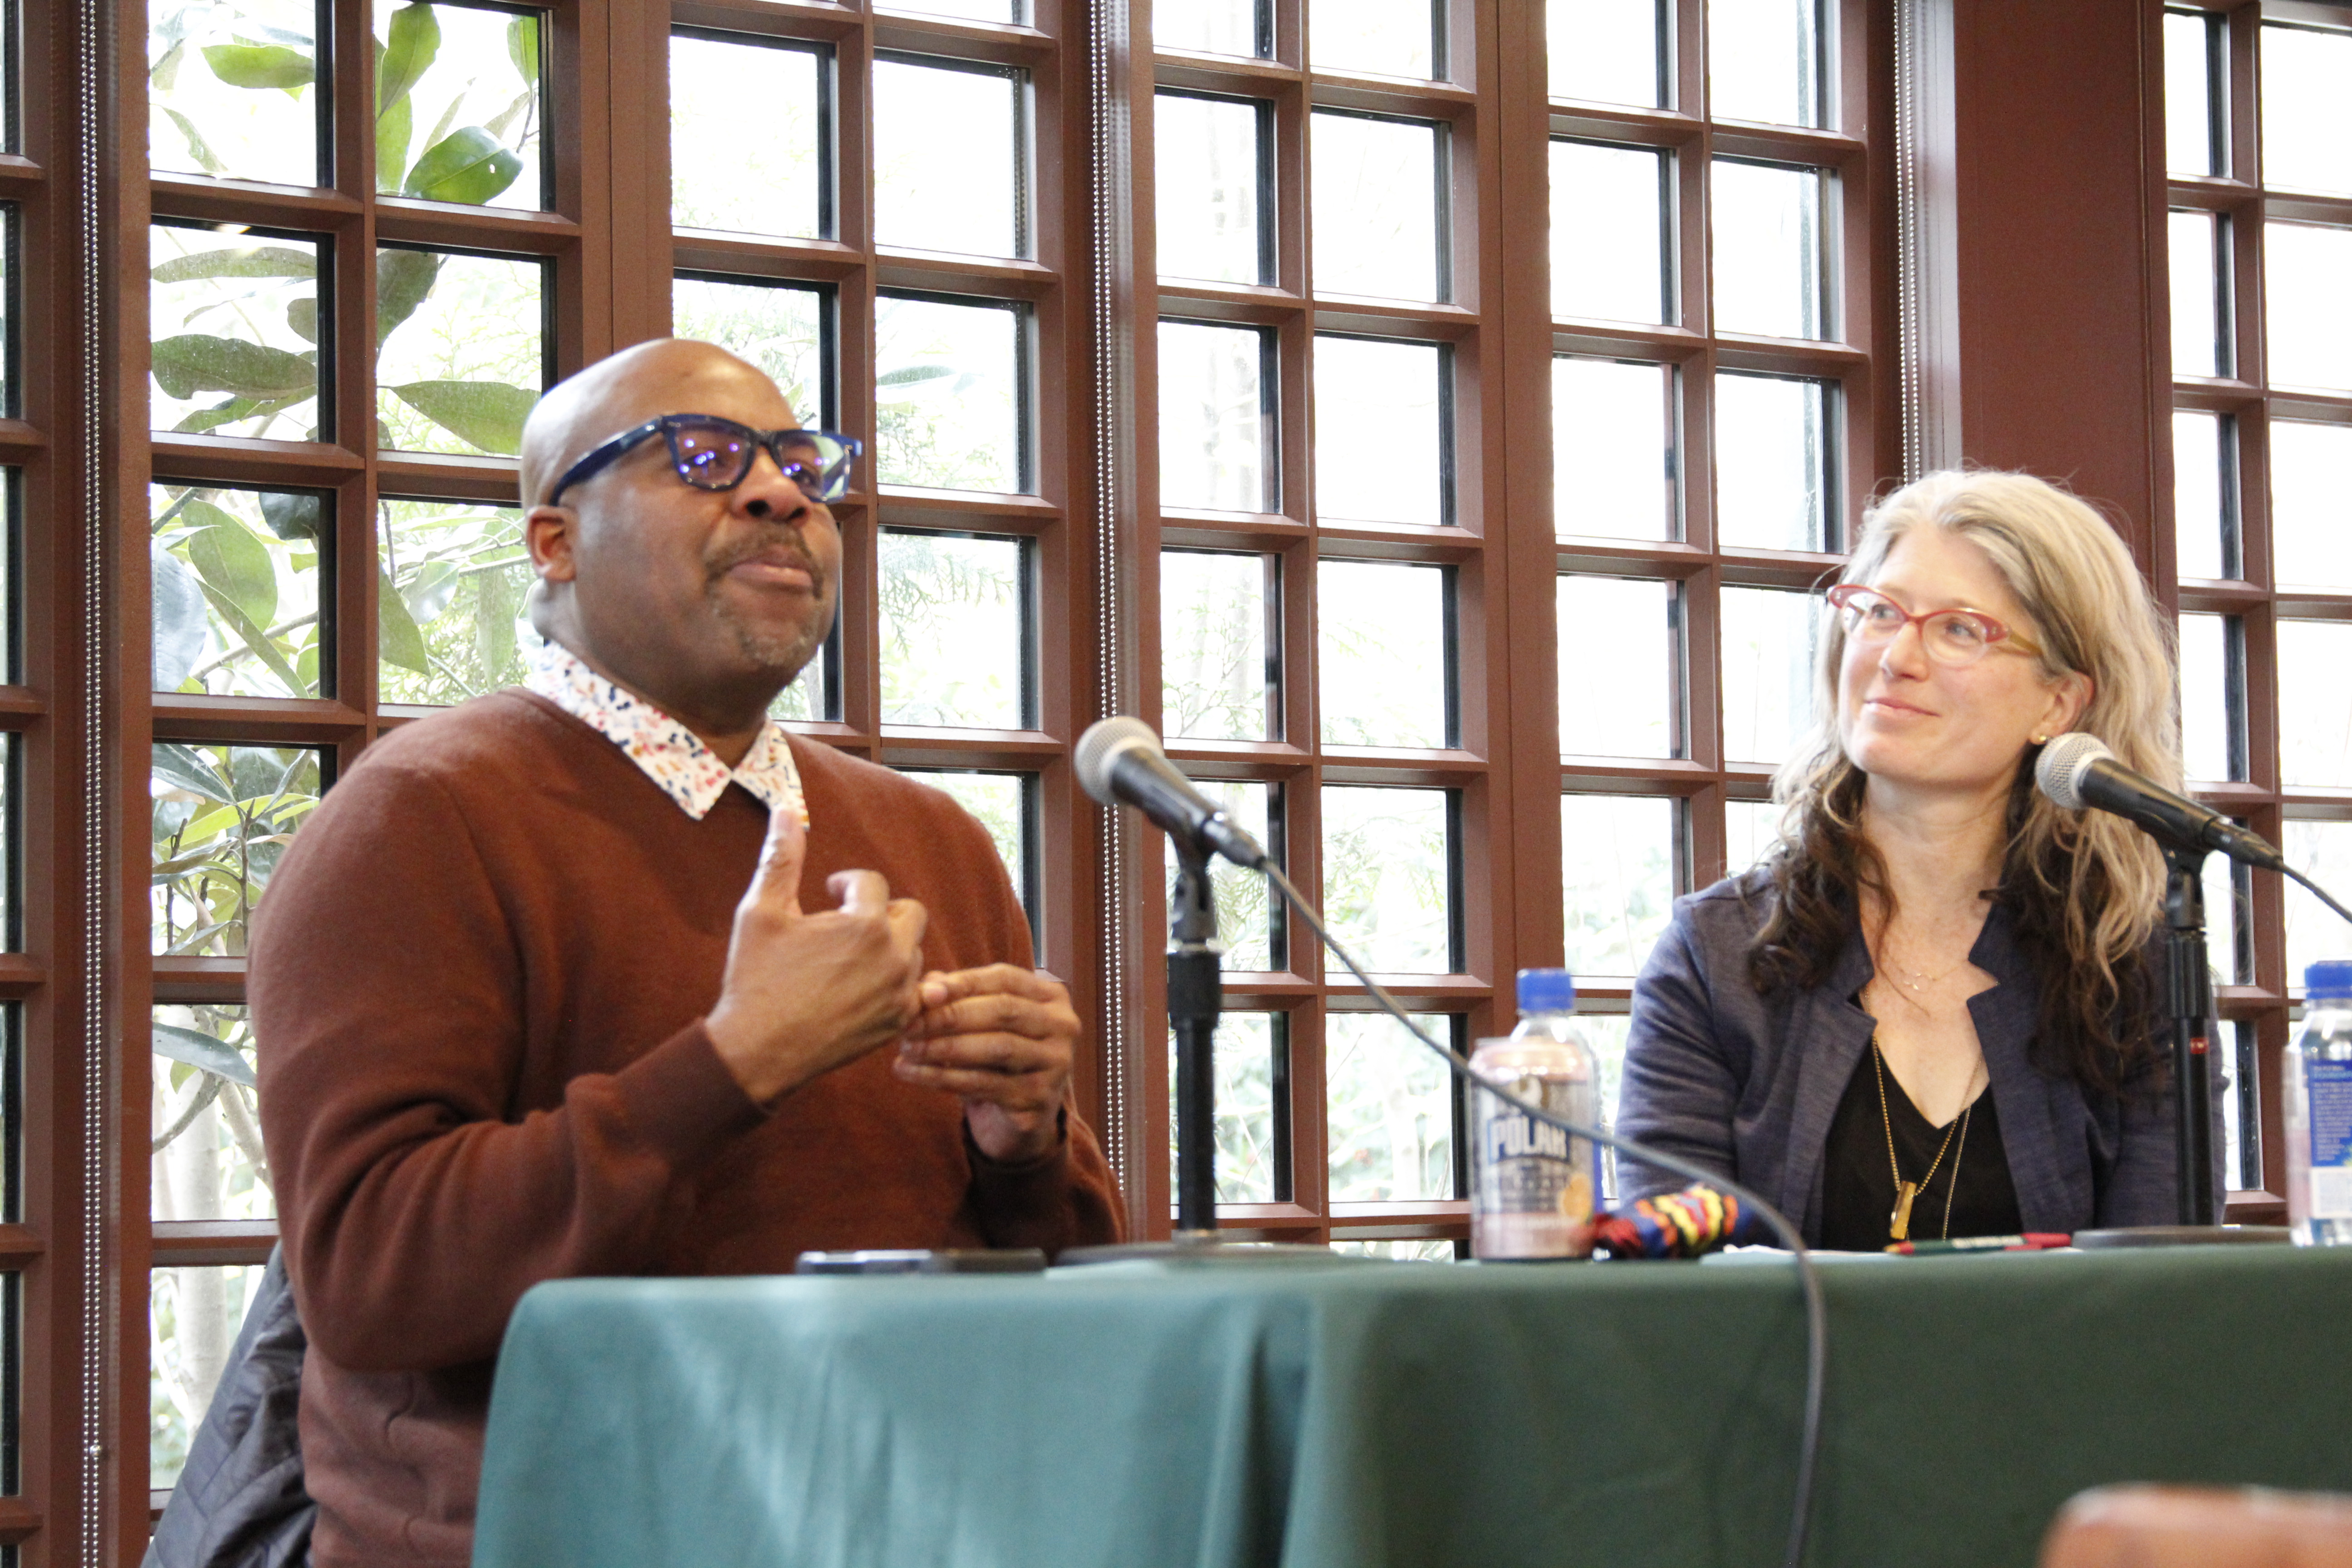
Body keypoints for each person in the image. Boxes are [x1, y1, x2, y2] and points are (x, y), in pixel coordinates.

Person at [251, 338, 1123, 1568]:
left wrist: (1026, 1147)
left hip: (925, 1525)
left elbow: (1073, 1294)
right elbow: (369, 1277)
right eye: (704, 457)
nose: (777, 494)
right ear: (555, 543)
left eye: (802, 466)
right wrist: (734, 1062)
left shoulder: (931, 837)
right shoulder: (420, 816)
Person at [1616, 470, 2222, 1248]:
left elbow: (2164, 1292)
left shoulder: (2135, 968)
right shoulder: (1716, 957)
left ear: (2059, 702)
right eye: (1880, 612)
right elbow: (1674, 1288)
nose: (1897, 655)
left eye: (1960, 630)